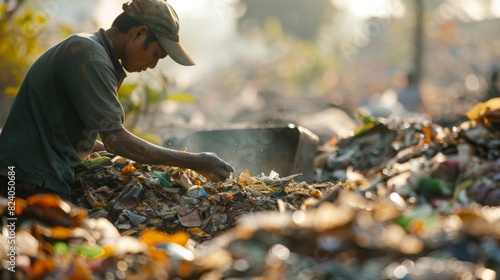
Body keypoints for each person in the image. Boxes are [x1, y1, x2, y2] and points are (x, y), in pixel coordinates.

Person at [0, 0, 234, 201]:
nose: (153, 65)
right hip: (27, 179)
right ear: (139, 33)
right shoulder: (90, 57)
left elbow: (61, 125)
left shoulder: (92, 50)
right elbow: (116, 139)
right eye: (156, 55)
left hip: (29, 175)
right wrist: (196, 161)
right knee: (21, 251)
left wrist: (102, 150)